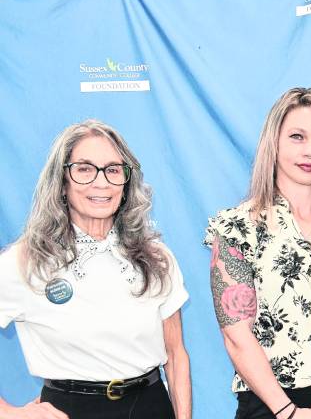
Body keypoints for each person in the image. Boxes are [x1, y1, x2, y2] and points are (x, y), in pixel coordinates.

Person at [0, 119, 191, 419]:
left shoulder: (157, 257)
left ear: (127, 182)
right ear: (61, 181)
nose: (101, 182)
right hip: (70, 410)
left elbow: (177, 356)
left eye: (113, 170)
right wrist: (9, 413)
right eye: (85, 169)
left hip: (150, 407)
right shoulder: (26, 261)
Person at [204, 88, 311, 419]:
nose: (310, 151)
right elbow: (235, 333)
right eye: (297, 137)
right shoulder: (238, 228)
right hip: (268, 405)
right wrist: (287, 412)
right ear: (275, 143)